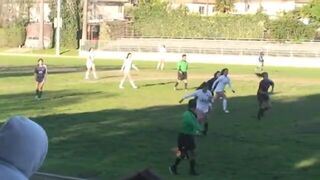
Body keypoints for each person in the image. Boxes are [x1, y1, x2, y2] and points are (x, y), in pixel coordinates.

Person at [169, 99, 202, 176]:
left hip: (188, 136)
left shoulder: (191, 114)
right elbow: (193, 124)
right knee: (186, 153)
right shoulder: (187, 115)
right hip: (185, 137)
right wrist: (200, 128)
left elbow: (194, 124)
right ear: (194, 107)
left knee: (189, 153)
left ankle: (190, 170)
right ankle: (175, 167)